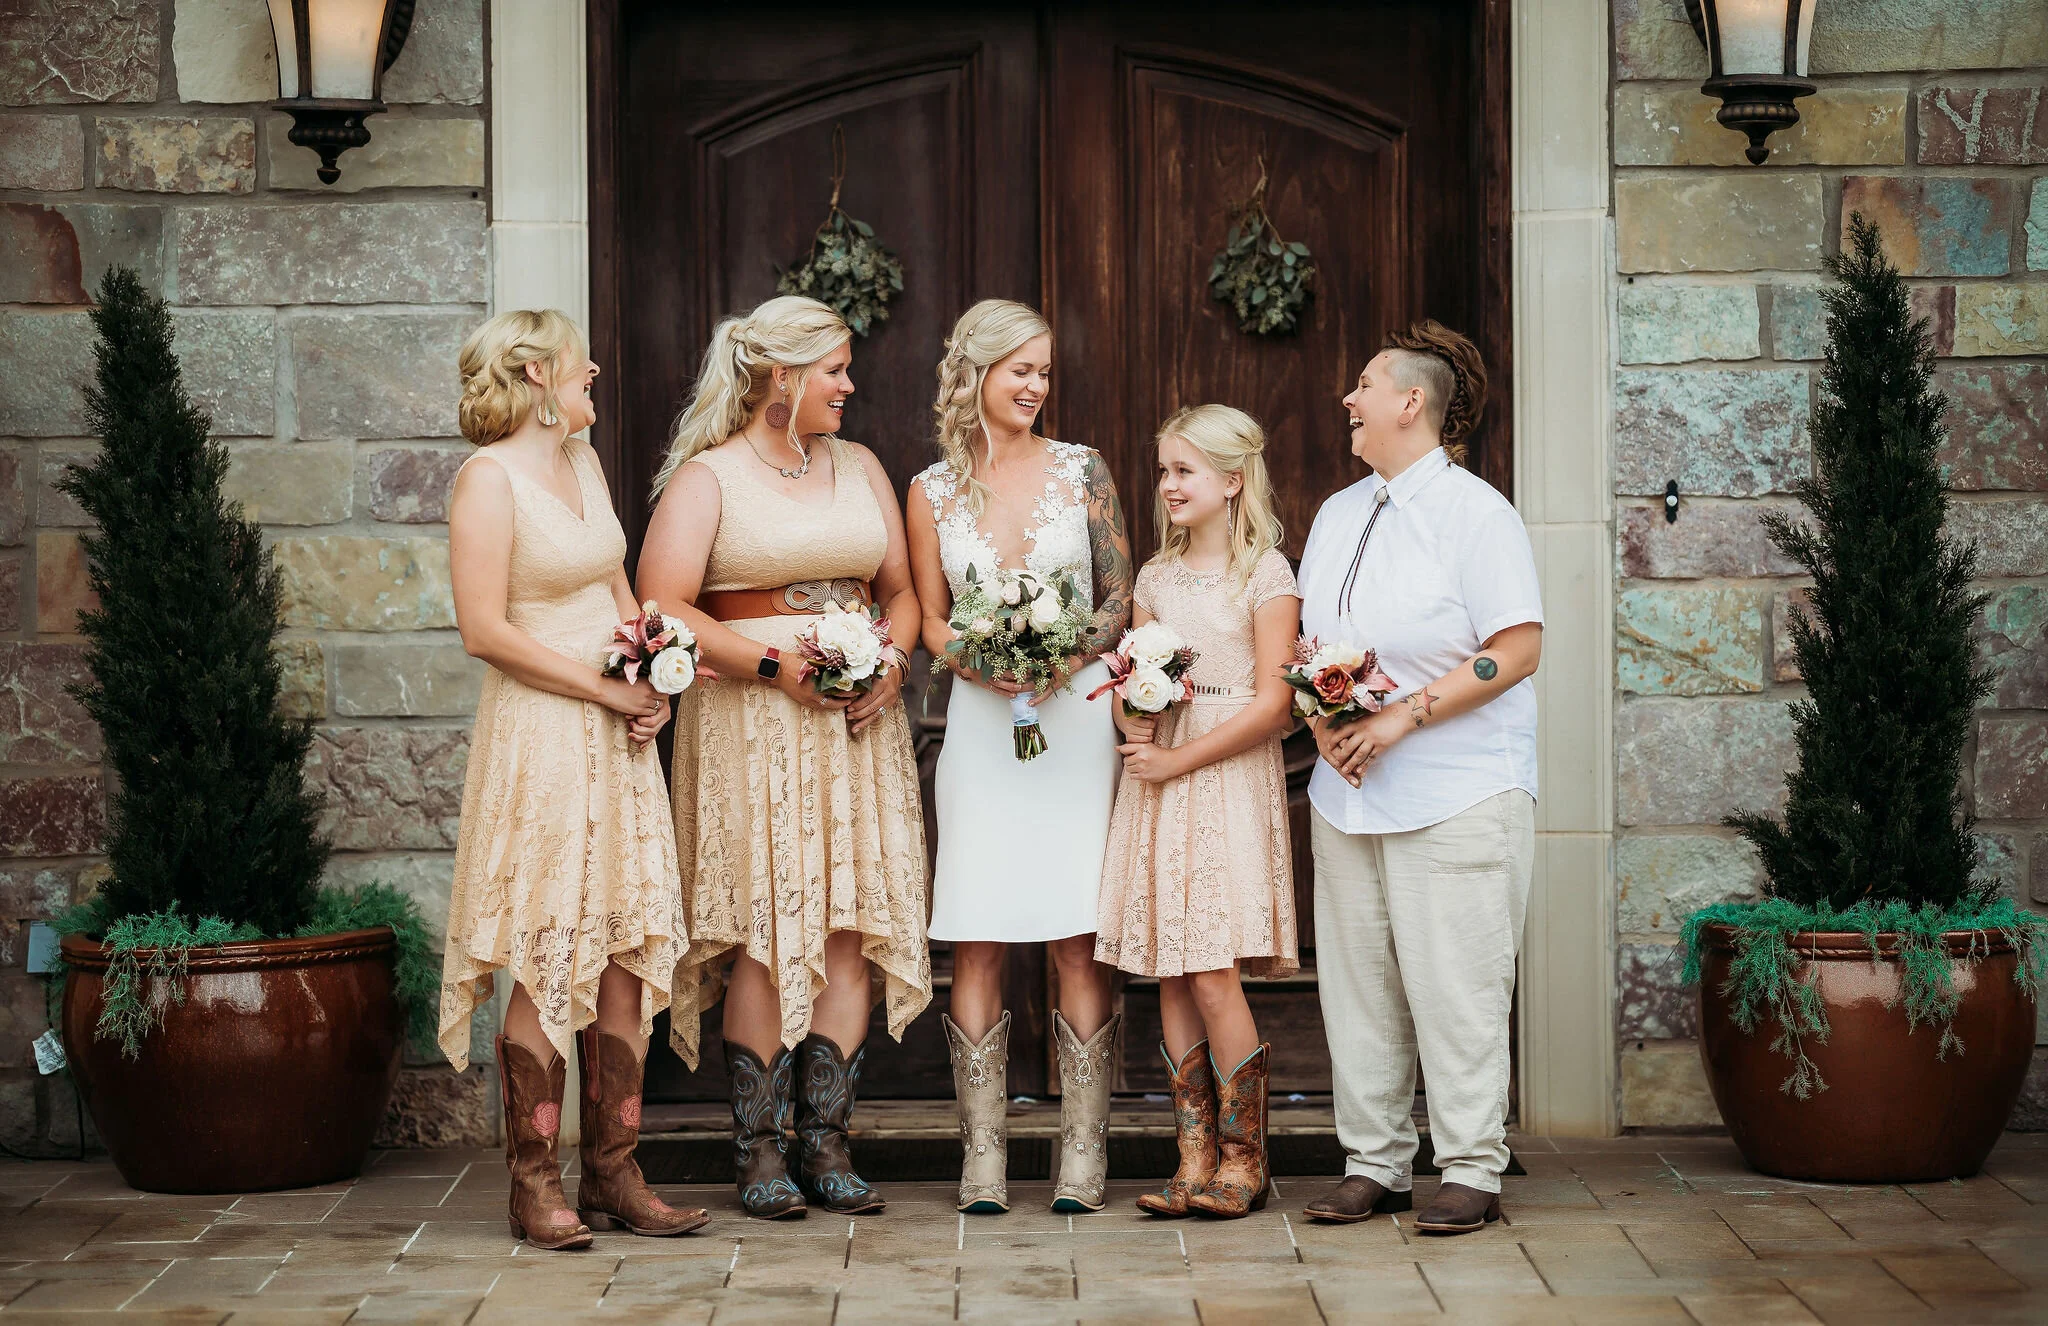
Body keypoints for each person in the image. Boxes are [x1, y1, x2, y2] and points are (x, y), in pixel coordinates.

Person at [638, 295, 930, 1221]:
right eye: (834, 370)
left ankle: (826, 1142)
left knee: (846, 925)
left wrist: (891, 663)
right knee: (766, 930)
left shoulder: (863, 466)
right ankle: (757, 1148)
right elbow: (663, 606)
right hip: (750, 726)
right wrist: (774, 666)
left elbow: (902, 593)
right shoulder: (709, 480)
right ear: (782, 375)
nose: (849, 385)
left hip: (854, 730)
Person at [440, 309, 707, 1250]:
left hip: (617, 737)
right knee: (551, 941)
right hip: (544, 734)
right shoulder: (487, 479)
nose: (592, 371)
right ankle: (534, 1184)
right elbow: (485, 630)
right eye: (576, 362)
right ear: (534, 377)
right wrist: (601, 688)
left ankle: (615, 1176)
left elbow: (618, 590)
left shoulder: (583, 463)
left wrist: (653, 677)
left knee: (626, 942)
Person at [1296, 320, 1543, 1235]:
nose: (1348, 399)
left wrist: (1402, 716)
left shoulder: (1478, 514)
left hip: (1458, 791)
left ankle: (1471, 1166)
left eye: (1364, 384)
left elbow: (1518, 647)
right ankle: (1375, 1164)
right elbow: (1312, 644)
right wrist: (1321, 721)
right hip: (1347, 795)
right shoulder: (1337, 513)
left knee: (1457, 986)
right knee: (1358, 989)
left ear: (1410, 402)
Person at [907, 299, 1133, 1214]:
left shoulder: (1084, 471)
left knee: (1080, 935)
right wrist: (981, 660)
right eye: (1021, 371)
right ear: (975, 374)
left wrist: (1061, 654)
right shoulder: (929, 490)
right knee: (979, 931)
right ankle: (983, 1157)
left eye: (1044, 372)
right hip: (982, 725)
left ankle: (1083, 1152)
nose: (1037, 386)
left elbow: (1118, 597)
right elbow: (929, 618)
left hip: (1076, 721)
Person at [1096, 405, 1301, 1220]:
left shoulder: (1266, 574)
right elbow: (1129, 690)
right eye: (1164, 470)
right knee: (1174, 965)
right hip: (1162, 769)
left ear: (1233, 480)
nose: (1168, 485)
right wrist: (1136, 708)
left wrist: (1177, 758)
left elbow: (1276, 704)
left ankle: (1246, 1159)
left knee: (1212, 965)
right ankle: (1194, 1157)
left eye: (1184, 470)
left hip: (1224, 771)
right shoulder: (1154, 578)